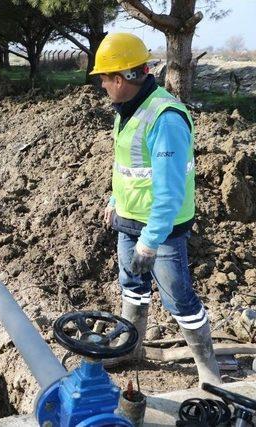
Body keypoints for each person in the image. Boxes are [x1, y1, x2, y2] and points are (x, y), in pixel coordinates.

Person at [92, 33, 220, 386]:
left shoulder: (165, 117)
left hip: (160, 229)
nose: (102, 85)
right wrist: (116, 201)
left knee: (177, 297)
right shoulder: (128, 110)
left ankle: (209, 371)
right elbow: (129, 166)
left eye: (104, 78)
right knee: (131, 284)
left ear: (121, 79)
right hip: (129, 220)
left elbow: (169, 189)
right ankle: (130, 349)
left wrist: (151, 240)